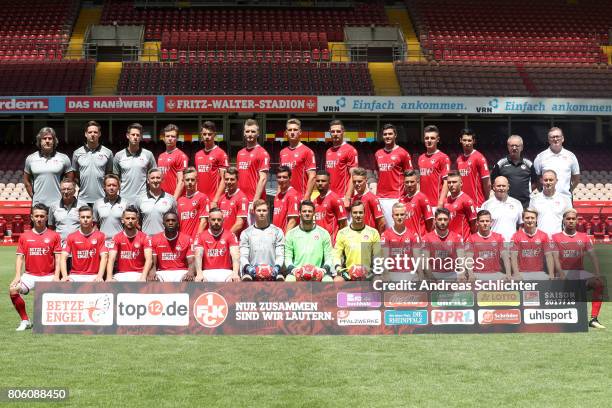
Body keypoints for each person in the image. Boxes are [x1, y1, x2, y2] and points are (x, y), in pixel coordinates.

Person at [9, 204, 62, 330]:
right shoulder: (24, 236)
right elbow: (20, 258)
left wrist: (56, 276)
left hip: (49, 275)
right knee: (13, 289)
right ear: (32, 217)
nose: (39, 218)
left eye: (42, 216)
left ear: (46, 218)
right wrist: (17, 276)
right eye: (36, 216)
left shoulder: (54, 235)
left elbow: (58, 258)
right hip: (30, 275)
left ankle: (49, 321)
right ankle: (25, 320)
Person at [552, 208, 605, 329]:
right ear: (563, 221)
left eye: (573, 219)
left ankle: (593, 319)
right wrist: (560, 273)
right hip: (562, 274)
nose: (571, 221)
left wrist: (597, 274)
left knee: (599, 284)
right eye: (568, 219)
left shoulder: (584, 237)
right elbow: (554, 258)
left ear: (577, 221)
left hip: (579, 274)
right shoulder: (555, 237)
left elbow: (593, 256)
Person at [284, 200, 335, 281]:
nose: (307, 213)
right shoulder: (291, 234)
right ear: (299, 213)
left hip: (317, 273)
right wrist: (293, 270)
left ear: (314, 213)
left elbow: (329, 257)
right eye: (304, 211)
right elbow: (288, 257)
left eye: (310, 211)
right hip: (298, 273)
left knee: (328, 280)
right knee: (289, 279)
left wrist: (324, 270)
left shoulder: (324, 233)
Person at [24, 127, 74, 207]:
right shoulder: (30, 158)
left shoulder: (64, 158)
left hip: (58, 205)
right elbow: (27, 181)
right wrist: (34, 197)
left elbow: (70, 180)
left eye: (50, 138)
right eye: (44, 138)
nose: (47, 141)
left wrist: (65, 196)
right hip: (38, 206)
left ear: (54, 141)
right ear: (40, 141)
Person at [374, 123, 413, 226]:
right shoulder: (378, 154)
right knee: (381, 228)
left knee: (395, 228)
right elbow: (378, 174)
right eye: (385, 134)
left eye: (390, 134)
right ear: (382, 136)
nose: (387, 136)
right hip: (380, 197)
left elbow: (410, 175)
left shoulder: (403, 153)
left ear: (395, 135)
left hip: (396, 197)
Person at [334, 201, 382, 280]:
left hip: (368, 274)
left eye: (360, 212)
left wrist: (376, 270)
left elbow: (378, 255)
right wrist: (338, 267)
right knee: (337, 280)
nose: (358, 215)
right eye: (355, 213)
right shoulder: (342, 233)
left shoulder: (373, 232)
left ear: (364, 214)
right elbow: (336, 254)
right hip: (348, 274)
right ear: (351, 214)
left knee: (380, 280)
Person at [239, 200, 285, 281]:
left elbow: (280, 255)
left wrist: (276, 268)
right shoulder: (246, 233)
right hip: (252, 274)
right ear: (254, 212)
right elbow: (243, 256)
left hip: (273, 273)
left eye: (264, 210)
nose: (261, 213)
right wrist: (249, 268)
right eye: (258, 210)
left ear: (268, 212)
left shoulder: (277, 231)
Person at [71, 120, 114, 207]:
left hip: (102, 199)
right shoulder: (77, 153)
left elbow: (109, 175)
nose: (93, 134)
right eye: (90, 132)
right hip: (82, 199)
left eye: (95, 132)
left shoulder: (108, 153)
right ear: (85, 134)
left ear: (99, 134)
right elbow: (75, 177)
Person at [112, 123, 156, 205]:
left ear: (141, 137)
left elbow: (154, 176)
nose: (135, 137)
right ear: (127, 136)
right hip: (124, 199)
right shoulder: (118, 155)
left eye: (137, 135)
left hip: (143, 199)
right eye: (133, 134)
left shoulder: (148, 155)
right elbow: (115, 178)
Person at [60, 205, 107, 282]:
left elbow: (104, 257)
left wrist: (99, 276)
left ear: (93, 218)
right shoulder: (71, 236)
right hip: (75, 275)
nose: (85, 220)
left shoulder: (100, 236)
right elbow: (63, 257)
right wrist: (65, 276)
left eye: (88, 217)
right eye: (83, 217)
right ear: (79, 218)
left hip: (94, 275)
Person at [236, 119, 269, 224]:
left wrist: (254, 202)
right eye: (248, 131)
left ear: (258, 133)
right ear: (244, 133)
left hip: (254, 203)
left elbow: (263, 179)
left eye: (253, 131)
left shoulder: (262, 153)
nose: (250, 134)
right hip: (240, 200)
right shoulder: (240, 153)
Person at [107, 206, 153, 282]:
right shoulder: (116, 238)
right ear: (122, 220)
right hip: (120, 274)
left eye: (133, 218)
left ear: (137, 220)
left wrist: (143, 277)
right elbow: (111, 259)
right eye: (127, 218)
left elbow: (149, 260)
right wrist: (109, 278)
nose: (130, 221)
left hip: (139, 274)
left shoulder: (145, 237)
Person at [490, 135, 538, 208]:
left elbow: (535, 183)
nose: (514, 148)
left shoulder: (529, 164)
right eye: (512, 145)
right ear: (508, 147)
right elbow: (493, 182)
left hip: (525, 204)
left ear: (522, 147)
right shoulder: (500, 164)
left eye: (517, 146)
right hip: (505, 204)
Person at [193, 208, 240, 282]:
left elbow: (235, 255)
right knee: (199, 280)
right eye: (213, 219)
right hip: (207, 272)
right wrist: (199, 273)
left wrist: (235, 273)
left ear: (223, 220)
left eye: (219, 219)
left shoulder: (230, 235)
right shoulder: (201, 236)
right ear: (208, 220)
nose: (216, 222)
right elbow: (198, 255)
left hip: (226, 272)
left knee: (235, 280)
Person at [534, 127, 580, 200]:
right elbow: (537, 179)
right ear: (549, 140)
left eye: (557, 136)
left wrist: (568, 191)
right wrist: (543, 192)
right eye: (552, 137)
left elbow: (576, 179)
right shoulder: (540, 157)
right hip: (546, 199)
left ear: (563, 139)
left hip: (566, 199)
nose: (555, 139)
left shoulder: (571, 156)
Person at [380, 202, 422, 281]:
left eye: (402, 214)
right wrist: (385, 274)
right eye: (396, 215)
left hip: (409, 273)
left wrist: (421, 275)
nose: (399, 217)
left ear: (406, 216)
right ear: (392, 216)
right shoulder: (385, 235)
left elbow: (417, 258)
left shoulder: (413, 235)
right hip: (392, 273)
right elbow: (384, 258)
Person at [465, 210, 511, 281]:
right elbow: (469, 259)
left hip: (496, 274)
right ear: (477, 223)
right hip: (477, 274)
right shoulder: (471, 238)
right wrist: (471, 275)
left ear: (491, 222)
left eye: (487, 221)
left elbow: (505, 257)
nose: (485, 223)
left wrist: (508, 274)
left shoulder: (499, 237)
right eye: (482, 221)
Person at [150, 211, 195, 282]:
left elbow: (191, 262)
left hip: (181, 272)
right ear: (163, 223)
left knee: (189, 279)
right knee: (152, 279)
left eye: (173, 220)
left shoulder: (187, 239)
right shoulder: (155, 239)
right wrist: (152, 272)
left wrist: (190, 272)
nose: (170, 223)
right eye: (167, 220)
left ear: (178, 223)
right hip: (162, 272)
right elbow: (153, 263)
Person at [510, 208, 554, 280]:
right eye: (527, 218)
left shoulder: (544, 235)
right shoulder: (516, 236)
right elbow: (513, 257)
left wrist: (551, 274)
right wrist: (516, 274)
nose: (530, 220)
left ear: (536, 219)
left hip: (540, 272)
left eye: (532, 218)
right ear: (523, 219)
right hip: (522, 273)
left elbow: (549, 256)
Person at [422, 208, 465, 281]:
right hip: (433, 274)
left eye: (445, 219)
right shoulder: (426, 238)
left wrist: (461, 274)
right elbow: (425, 262)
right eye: (440, 219)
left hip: (451, 274)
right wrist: (432, 278)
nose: (442, 222)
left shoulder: (457, 238)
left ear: (449, 220)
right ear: (435, 220)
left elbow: (461, 259)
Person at [279, 118, 316, 200]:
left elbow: (312, 177)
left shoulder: (307, 151)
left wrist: (306, 198)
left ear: (300, 132)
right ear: (286, 132)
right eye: (290, 130)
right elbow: (280, 177)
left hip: (300, 198)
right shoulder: (282, 152)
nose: (292, 132)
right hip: (285, 198)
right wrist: (278, 197)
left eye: (295, 130)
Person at [194, 121, 228, 208]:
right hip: (200, 200)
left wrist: (215, 200)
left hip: (214, 201)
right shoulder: (198, 154)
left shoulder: (221, 153)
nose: (207, 137)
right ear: (201, 135)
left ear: (214, 135)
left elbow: (224, 179)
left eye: (210, 134)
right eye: (204, 134)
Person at [529, 170, 572, 237]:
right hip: (539, 239)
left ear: (556, 181)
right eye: (546, 180)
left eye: (551, 180)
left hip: (558, 239)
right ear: (541, 181)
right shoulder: (534, 199)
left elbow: (570, 221)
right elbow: (530, 220)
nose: (548, 182)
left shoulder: (565, 199)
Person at [325, 119, 358, 206]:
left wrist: (347, 197)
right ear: (330, 132)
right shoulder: (328, 151)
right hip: (329, 196)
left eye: (338, 131)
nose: (335, 133)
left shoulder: (350, 150)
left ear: (343, 132)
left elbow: (353, 175)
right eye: (333, 131)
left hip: (343, 197)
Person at [135, 168, 177, 236]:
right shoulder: (140, 199)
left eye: (158, 178)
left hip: (164, 240)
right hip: (146, 240)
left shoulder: (171, 199)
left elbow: (175, 221)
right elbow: (136, 221)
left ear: (162, 180)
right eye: (152, 178)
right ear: (148, 181)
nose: (155, 180)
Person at [455, 128, 490, 208]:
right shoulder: (459, 159)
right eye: (464, 140)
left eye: (469, 140)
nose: (467, 143)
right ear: (460, 140)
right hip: (462, 203)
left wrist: (486, 200)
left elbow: (487, 183)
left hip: (477, 204)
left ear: (474, 141)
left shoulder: (479, 157)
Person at [417, 125, 450, 209]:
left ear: (437, 139)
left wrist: (441, 203)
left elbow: (446, 182)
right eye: (427, 138)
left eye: (432, 138)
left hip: (436, 204)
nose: (429, 140)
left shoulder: (443, 157)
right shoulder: (421, 158)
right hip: (423, 204)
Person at [481, 176, 523, 242]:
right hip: (493, 245)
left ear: (508, 187)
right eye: (498, 186)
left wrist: (518, 240)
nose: (501, 188)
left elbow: (521, 225)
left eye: (503, 186)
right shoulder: (486, 205)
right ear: (493, 187)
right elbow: (482, 227)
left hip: (512, 245)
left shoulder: (517, 203)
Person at [93, 174, 128, 247]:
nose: (111, 188)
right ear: (104, 187)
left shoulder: (125, 203)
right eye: (109, 185)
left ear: (119, 187)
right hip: (103, 243)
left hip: (120, 243)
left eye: (114, 185)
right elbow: (95, 225)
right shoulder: (97, 203)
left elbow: (128, 225)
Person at [48, 179, 86, 245]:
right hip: (60, 246)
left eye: (68, 189)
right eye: (63, 189)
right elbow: (51, 227)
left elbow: (87, 226)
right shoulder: (53, 207)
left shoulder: (82, 206)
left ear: (74, 191)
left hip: (78, 245)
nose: (65, 192)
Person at [313, 170, 347, 244]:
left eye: (323, 181)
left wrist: (341, 244)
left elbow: (343, 224)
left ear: (329, 182)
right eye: (318, 181)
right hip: (318, 243)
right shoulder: (315, 201)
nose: (320, 183)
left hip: (332, 244)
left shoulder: (335, 199)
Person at [443, 171, 477, 240]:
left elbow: (474, 225)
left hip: (463, 243)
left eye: (454, 182)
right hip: (448, 242)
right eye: (449, 182)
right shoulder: (446, 201)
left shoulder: (467, 201)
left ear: (461, 183)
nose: (451, 184)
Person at [157, 124, 188, 199]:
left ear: (177, 138)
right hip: (162, 198)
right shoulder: (160, 156)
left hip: (175, 198)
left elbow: (181, 181)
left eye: (173, 136)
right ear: (163, 138)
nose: (170, 138)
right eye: (167, 136)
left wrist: (174, 200)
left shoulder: (181, 156)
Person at [399, 170, 434, 237]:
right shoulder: (401, 200)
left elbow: (430, 223)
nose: (409, 184)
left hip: (419, 240)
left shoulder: (422, 198)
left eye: (412, 182)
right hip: (406, 239)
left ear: (417, 182)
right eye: (407, 182)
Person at [351, 167, 385, 233]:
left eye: (359, 181)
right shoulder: (354, 198)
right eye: (354, 182)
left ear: (366, 180)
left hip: (369, 238)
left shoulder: (372, 198)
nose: (357, 184)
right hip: (357, 236)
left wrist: (377, 238)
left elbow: (381, 222)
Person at [177, 167, 209, 239]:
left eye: (192, 180)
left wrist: (196, 240)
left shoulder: (202, 197)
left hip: (196, 241)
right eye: (187, 180)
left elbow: (204, 222)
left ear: (197, 180)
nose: (190, 182)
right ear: (183, 181)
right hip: (183, 241)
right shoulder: (180, 200)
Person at [218, 167, 249, 237]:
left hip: (236, 242)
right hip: (222, 240)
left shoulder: (242, 199)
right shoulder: (221, 198)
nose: (229, 182)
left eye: (232, 179)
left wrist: (225, 237)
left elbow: (239, 224)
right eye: (226, 179)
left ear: (237, 180)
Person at [272, 165, 300, 234]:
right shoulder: (277, 196)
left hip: (285, 238)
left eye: (284, 177)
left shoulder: (292, 195)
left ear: (290, 178)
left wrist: (285, 240)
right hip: (277, 236)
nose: (281, 180)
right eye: (279, 177)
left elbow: (293, 220)